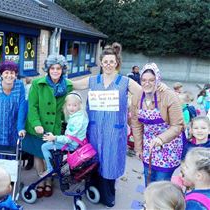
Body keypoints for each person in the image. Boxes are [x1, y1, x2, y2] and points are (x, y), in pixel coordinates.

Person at [71, 42, 142, 208]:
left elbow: (143, 92)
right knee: (94, 158)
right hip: (95, 129)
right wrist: (56, 76)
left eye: (112, 61)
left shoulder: (125, 82)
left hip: (114, 130)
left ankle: (108, 195)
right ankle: (92, 190)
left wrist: (133, 106)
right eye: (105, 61)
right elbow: (73, 85)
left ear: (116, 62)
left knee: (110, 162)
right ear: (101, 63)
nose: (108, 64)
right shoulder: (93, 80)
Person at [22, 54, 73, 198]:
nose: (55, 71)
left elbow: (70, 105)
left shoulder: (68, 85)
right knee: (39, 154)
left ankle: (49, 179)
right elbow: (32, 107)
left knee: (50, 154)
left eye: (58, 68)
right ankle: (41, 179)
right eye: (52, 68)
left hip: (56, 127)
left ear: (62, 70)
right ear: (48, 69)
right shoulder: (38, 83)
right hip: (38, 126)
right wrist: (36, 124)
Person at [131, 63, 184, 186]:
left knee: (161, 184)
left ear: (158, 80)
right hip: (149, 145)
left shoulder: (168, 95)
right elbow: (136, 124)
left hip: (169, 146)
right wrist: (138, 147)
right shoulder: (137, 96)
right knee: (148, 179)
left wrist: (161, 138)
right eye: (143, 80)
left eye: (151, 80)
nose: (147, 83)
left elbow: (178, 125)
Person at [41, 92, 88, 176]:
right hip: (75, 143)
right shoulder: (79, 115)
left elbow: (69, 139)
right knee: (49, 143)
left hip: (72, 145)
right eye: (69, 105)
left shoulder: (77, 120)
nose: (71, 108)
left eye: (74, 105)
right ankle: (55, 167)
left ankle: (50, 169)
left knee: (45, 146)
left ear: (80, 105)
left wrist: (54, 138)